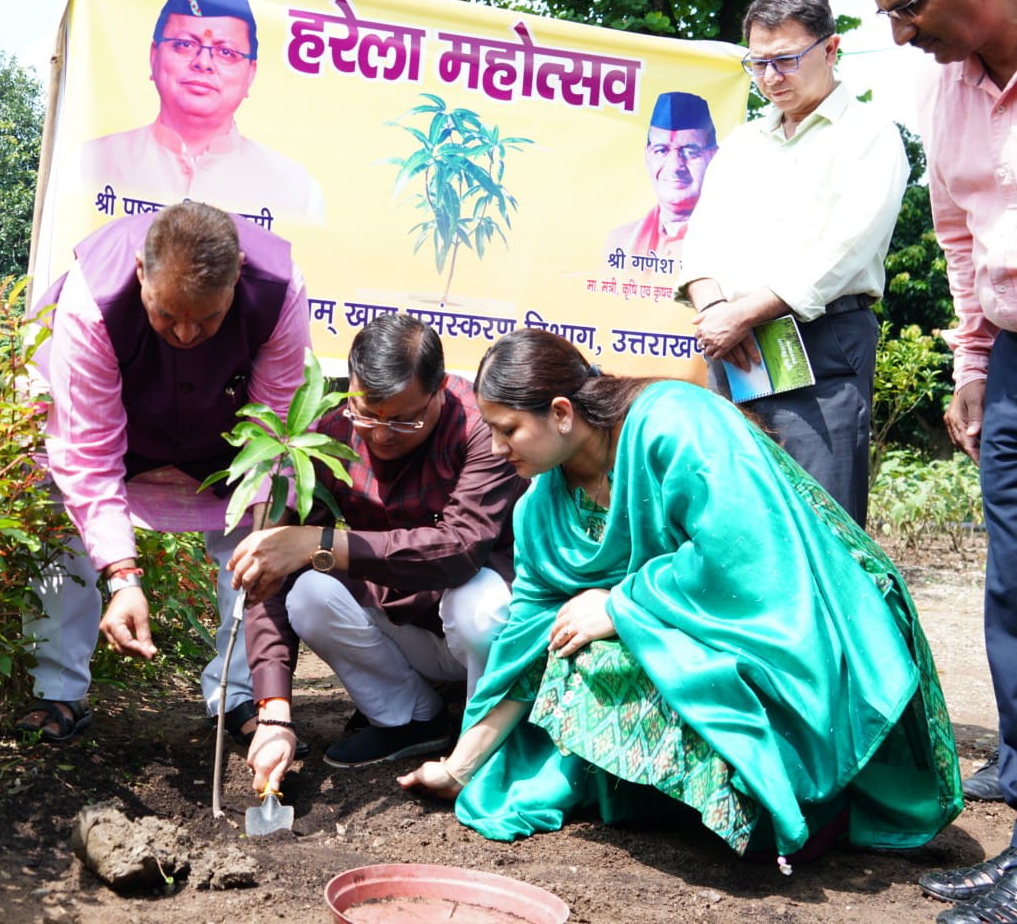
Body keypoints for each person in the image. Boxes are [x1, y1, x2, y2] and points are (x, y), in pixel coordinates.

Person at [398, 328, 961, 863]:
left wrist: (621, 605)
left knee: (635, 652)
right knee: (579, 654)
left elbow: (742, 553)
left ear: (562, 414)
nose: (495, 449)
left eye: (508, 429)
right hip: (699, 615)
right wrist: (461, 767)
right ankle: (678, 803)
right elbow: (528, 642)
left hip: (797, 605)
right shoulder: (539, 508)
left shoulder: (673, 420)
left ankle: (795, 799)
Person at [15, 201, 310, 746]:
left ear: (238, 275)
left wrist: (265, 526)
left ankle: (238, 692)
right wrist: (123, 579)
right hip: (120, 433)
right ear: (139, 270)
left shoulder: (280, 292)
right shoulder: (91, 299)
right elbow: (88, 452)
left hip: (223, 440)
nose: (185, 333)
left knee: (255, 541)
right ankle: (56, 691)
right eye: (167, 314)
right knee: (58, 513)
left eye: (208, 318)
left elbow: (274, 438)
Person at [857, 0, 1017, 919]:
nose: (901, 34)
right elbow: (958, 230)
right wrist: (972, 360)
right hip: (1012, 353)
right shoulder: (944, 88)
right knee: (1013, 588)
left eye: (909, 7)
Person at [232, 313, 526, 791]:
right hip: (407, 623)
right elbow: (272, 570)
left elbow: (460, 549)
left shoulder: (478, 426)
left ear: (440, 391)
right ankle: (409, 718)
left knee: (477, 603)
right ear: (349, 387)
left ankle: (485, 745)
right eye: (367, 413)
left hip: (485, 637)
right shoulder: (331, 434)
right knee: (307, 591)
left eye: (405, 420)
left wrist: (322, 542)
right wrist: (274, 715)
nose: (382, 434)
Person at [677, 0, 909, 527]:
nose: (771, 77)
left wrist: (741, 314)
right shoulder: (741, 144)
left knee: (820, 521)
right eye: (758, 63)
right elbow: (700, 239)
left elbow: (848, 249)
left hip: (822, 346)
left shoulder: (869, 135)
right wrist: (716, 312)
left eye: (786, 60)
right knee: (737, 518)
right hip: (732, 350)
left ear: (831, 50)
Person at [81, 0, 324, 225]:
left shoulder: (296, 190)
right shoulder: (90, 163)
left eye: (226, 52)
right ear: (154, 56)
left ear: (250, 73)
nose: (203, 63)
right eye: (185, 45)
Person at [603, 91, 718, 266]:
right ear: (648, 157)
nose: (674, 166)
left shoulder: (729, 241)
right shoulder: (620, 243)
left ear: (713, 156)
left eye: (690, 151)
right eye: (661, 150)